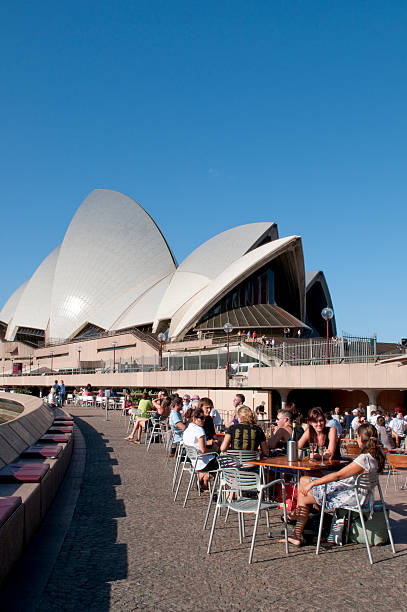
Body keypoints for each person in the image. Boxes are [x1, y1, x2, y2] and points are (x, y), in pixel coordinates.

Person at [280, 423, 385, 546]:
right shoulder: (379, 455)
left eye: (357, 437)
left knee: (304, 494)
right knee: (303, 480)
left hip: (352, 497)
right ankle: (296, 516)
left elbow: (338, 476)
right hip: (360, 494)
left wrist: (314, 483)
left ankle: (296, 530)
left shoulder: (364, 459)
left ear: (361, 439)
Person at [182, 408, 218, 489]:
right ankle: (204, 479)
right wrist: (214, 450)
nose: (204, 420)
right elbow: (203, 450)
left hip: (194, 461)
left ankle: (203, 481)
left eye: (204, 418)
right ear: (194, 418)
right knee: (223, 464)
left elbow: (195, 444)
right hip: (203, 463)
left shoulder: (187, 429)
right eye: (201, 418)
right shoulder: (199, 430)